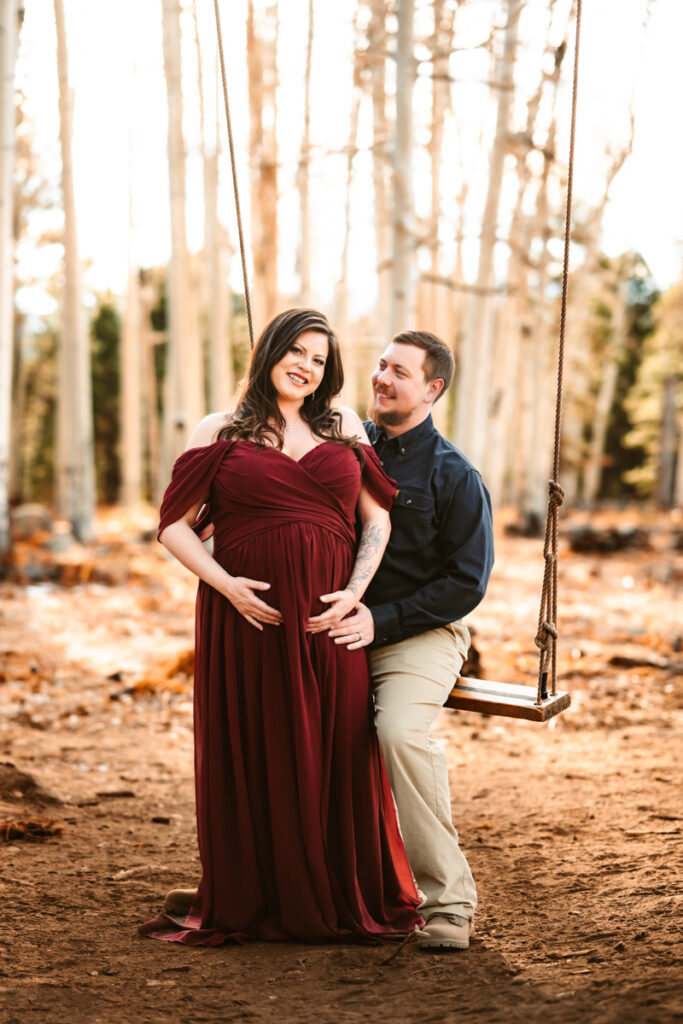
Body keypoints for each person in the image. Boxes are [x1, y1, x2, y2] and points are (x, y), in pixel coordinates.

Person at [140, 309, 422, 946]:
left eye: (320, 359)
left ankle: (335, 886)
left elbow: (375, 520)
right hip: (246, 620)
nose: (306, 366)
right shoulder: (220, 429)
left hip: (329, 622)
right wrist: (225, 584)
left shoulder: (344, 425)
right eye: (295, 351)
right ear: (268, 352)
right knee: (259, 744)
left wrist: (354, 594)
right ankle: (263, 889)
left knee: (337, 745)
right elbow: (174, 524)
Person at [322, 330, 494, 951]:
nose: (381, 378)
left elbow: (466, 583)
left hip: (420, 632)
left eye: (399, 371)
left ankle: (449, 901)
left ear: (432, 389)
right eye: (380, 365)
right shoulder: (339, 446)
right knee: (291, 721)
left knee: (397, 732)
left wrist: (383, 619)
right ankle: (262, 887)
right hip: (336, 626)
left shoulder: (455, 475)